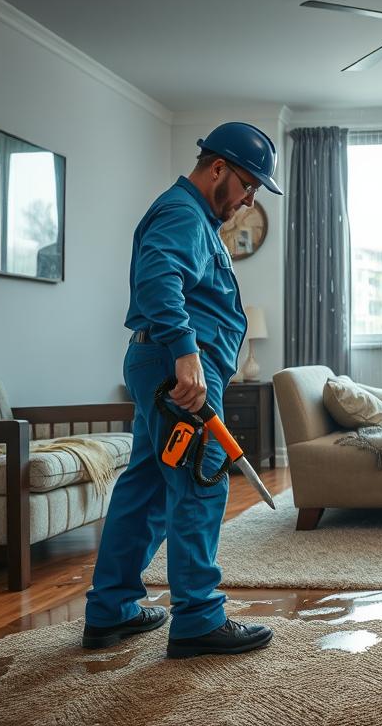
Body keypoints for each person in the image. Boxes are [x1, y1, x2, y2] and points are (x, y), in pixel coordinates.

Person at [81, 123, 283, 658]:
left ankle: (112, 610)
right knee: (200, 481)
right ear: (218, 168)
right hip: (177, 368)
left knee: (146, 488)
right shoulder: (182, 212)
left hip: (163, 363)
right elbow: (158, 276)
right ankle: (197, 618)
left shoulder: (189, 216)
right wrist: (187, 354)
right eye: (248, 185)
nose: (247, 200)